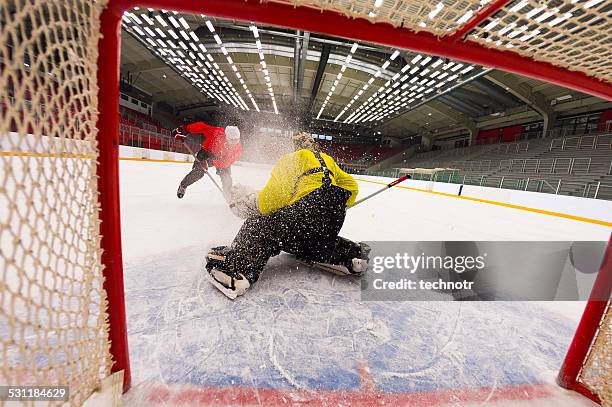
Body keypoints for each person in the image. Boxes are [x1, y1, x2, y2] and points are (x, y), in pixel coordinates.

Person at [205, 131, 370, 299]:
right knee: (312, 240)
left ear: (295, 147)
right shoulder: (328, 160)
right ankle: (351, 256)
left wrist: (253, 205)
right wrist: (332, 205)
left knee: (259, 225)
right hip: (333, 218)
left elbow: (272, 200)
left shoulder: (293, 159)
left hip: (306, 211)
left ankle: (237, 269)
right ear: (313, 145)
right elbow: (352, 187)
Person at [173, 121, 241, 200]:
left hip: (222, 160)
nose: (233, 143)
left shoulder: (238, 148)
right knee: (198, 172)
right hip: (206, 153)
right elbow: (202, 127)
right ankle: (183, 185)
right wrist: (186, 129)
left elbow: (228, 161)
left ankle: (229, 197)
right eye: (231, 140)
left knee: (227, 179)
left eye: (236, 141)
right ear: (226, 136)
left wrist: (212, 163)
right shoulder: (217, 133)